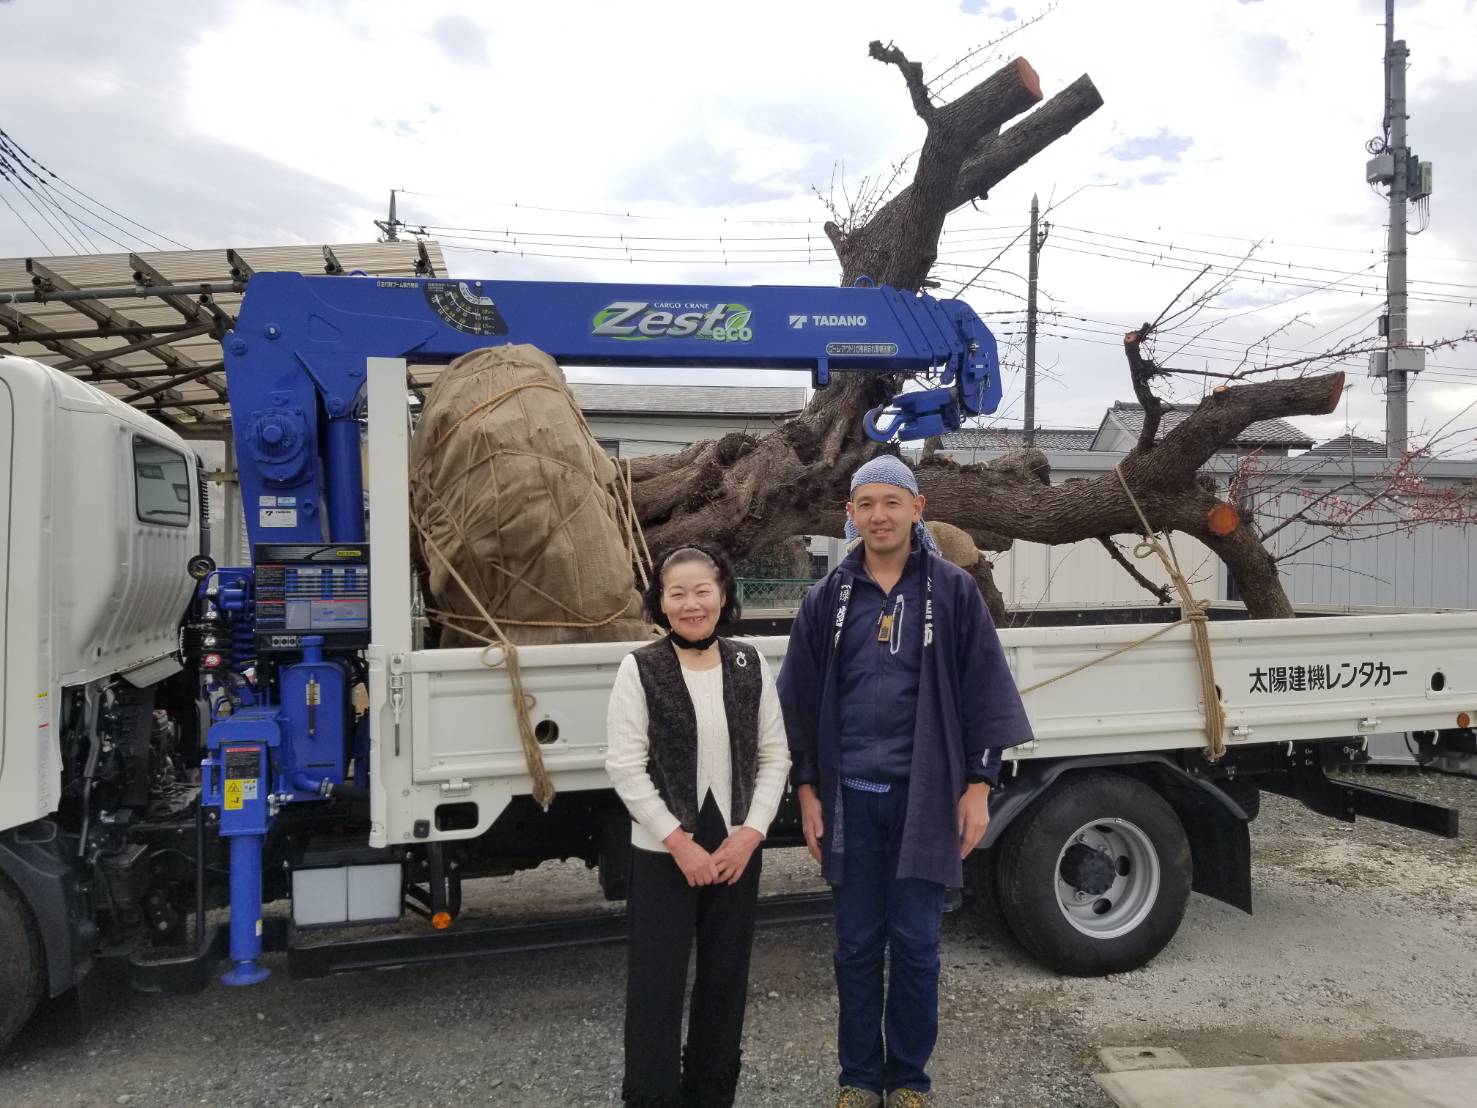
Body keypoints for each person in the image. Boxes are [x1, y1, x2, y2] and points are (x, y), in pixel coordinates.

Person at [778, 455, 1033, 1108]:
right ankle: (859, 1077)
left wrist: (979, 785)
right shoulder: (826, 599)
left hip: (926, 801)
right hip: (848, 802)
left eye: (891, 502)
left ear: (917, 509)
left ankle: (909, 1079)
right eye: (865, 504)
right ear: (849, 514)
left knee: (916, 948)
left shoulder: (950, 592)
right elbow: (798, 704)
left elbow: (983, 691)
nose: (878, 515)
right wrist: (807, 791)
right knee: (855, 946)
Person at [606, 543, 792, 1108]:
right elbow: (624, 763)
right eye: (677, 593)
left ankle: (711, 1094)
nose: (691, 604)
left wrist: (751, 833)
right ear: (661, 603)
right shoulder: (640, 667)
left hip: (735, 847)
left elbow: (775, 755)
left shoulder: (748, 663)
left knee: (724, 981)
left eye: (702, 591)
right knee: (656, 987)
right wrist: (676, 841)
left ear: (723, 595)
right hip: (665, 850)